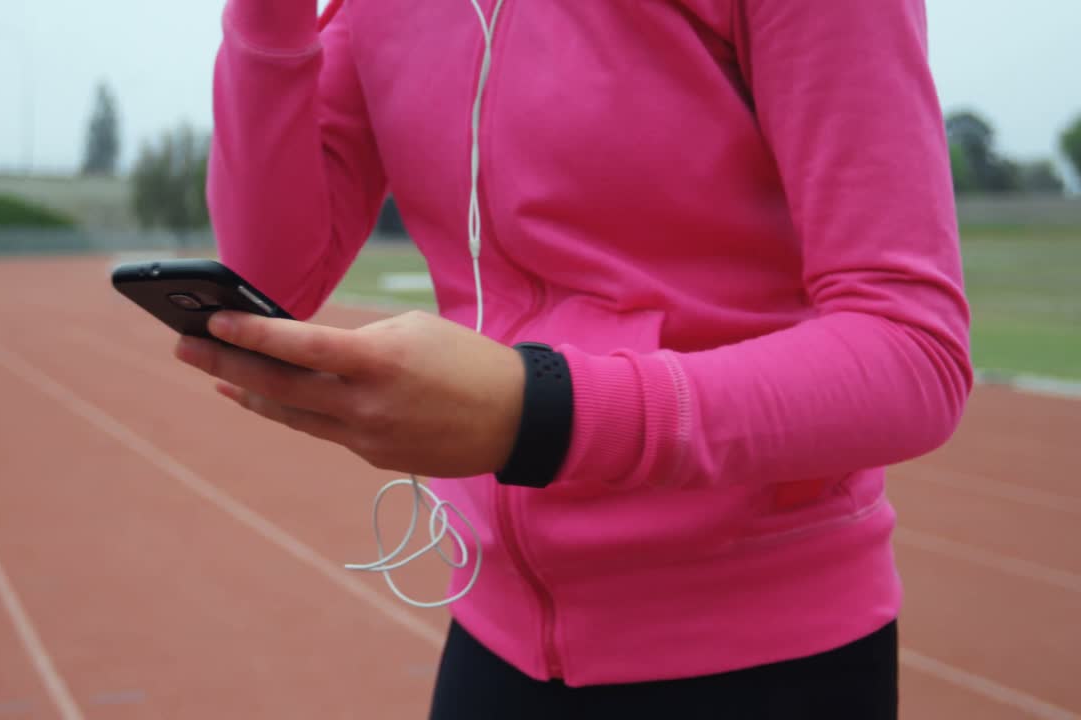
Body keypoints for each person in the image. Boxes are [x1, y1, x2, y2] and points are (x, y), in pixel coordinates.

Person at [173, 0, 972, 717]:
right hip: (495, 638)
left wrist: (541, 413)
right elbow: (271, 276)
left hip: (766, 649)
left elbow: (912, 351)